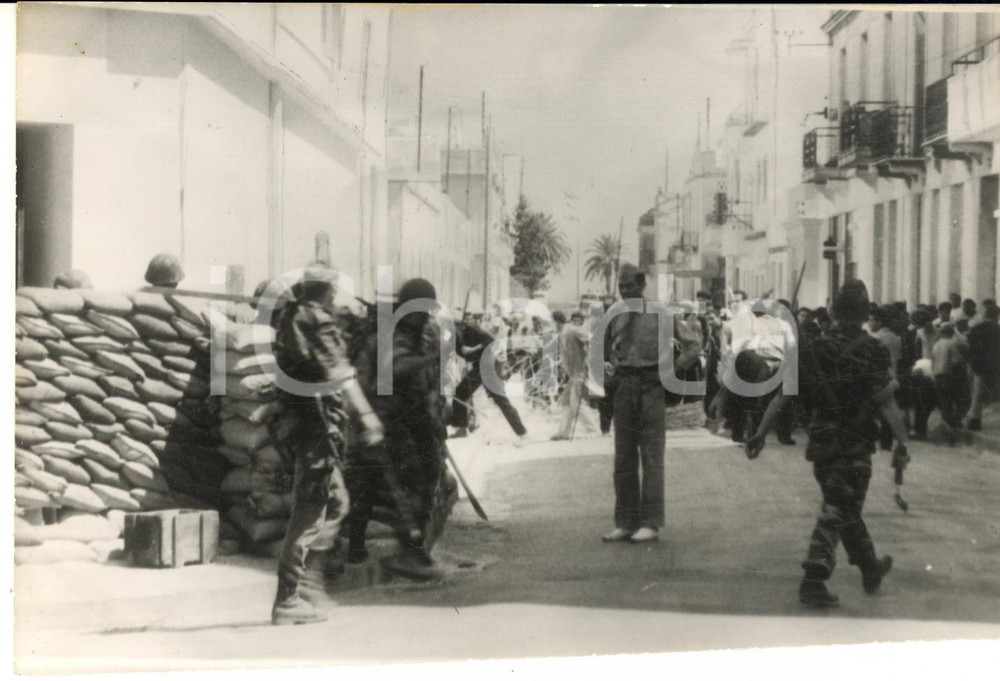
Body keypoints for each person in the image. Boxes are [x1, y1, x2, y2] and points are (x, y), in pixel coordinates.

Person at [746, 280, 905, 608]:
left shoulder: (813, 349)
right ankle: (814, 579)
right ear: (865, 312)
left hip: (822, 444)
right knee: (839, 510)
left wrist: (761, 433)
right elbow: (887, 402)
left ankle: (870, 567)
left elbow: (784, 394)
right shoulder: (873, 349)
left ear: (833, 310)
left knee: (844, 508)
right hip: (855, 443)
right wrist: (902, 441)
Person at [270, 269, 384, 626]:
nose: (336, 298)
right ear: (328, 291)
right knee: (312, 512)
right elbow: (340, 375)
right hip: (317, 429)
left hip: (308, 426)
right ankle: (292, 596)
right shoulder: (317, 321)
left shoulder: (293, 317)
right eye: (335, 290)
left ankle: (306, 588)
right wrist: (367, 416)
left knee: (334, 503)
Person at [346, 278, 449, 579]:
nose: (427, 314)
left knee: (405, 478)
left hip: (403, 416)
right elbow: (393, 369)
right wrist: (433, 357)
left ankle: (400, 551)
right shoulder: (391, 330)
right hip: (382, 418)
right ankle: (404, 553)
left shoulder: (415, 329)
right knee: (400, 482)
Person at [601, 264, 666, 544]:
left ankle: (651, 523)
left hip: (651, 385)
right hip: (624, 385)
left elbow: (693, 344)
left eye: (630, 286)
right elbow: (604, 348)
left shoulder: (661, 313)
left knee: (651, 458)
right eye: (621, 286)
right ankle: (626, 522)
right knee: (624, 458)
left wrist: (667, 372)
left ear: (641, 285)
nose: (625, 291)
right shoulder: (614, 315)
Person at [449, 310, 528, 445]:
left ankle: (522, 432)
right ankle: (462, 429)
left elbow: (492, 340)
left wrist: (473, 349)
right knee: (460, 392)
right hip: (478, 366)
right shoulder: (452, 333)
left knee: (500, 399)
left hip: (488, 365)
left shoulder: (469, 329)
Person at [552, 310, 597, 440]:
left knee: (576, 402)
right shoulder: (560, 334)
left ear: (556, 322)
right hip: (572, 373)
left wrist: (588, 355)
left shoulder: (572, 330)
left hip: (580, 370)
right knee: (567, 403)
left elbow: (592, 339)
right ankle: (563, 432)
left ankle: (592, 429)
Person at [932, 321, 970, 445]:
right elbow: (955, 362)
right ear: (951, 332)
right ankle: (953, 427)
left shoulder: (936, 345)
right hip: (949, 376)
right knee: (963, 402)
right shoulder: (954, 343)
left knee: (945, 406)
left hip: (937, 377)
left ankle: (948, 434)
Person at [966, 304, 1000, 431]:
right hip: (995, 366)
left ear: (986, 315)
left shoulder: (977, 328)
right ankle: (974, 419)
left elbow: (970, 346)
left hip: (978, 365)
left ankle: (974, 420)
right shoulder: (998, 330)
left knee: (977, 393)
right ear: (997, 316)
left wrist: (972, 362)